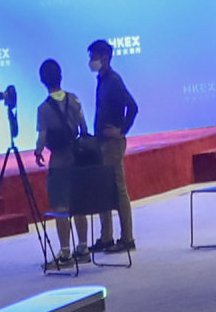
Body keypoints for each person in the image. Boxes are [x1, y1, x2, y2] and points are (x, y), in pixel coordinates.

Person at [33, 57, 93, 265]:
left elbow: (42, 136)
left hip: (58, 161)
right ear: (61, 76)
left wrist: (38, 151)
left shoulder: (43, 109)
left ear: (42, 81)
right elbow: (84, 128)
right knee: (79, 205)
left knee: (60, 206)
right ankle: (83, 248)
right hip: (77, 158)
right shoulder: (74, 100)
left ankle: (65, 251)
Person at [86, 37, 141, 253]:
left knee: (118, 190)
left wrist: (121, 130)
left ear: (105, 58)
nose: (91, 61)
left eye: (94, 57)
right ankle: (106, 237)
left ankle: (127, 238)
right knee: (103, 189)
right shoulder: (102, 80)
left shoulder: (114, 81)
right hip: (101, 142)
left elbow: (133, 107)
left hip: (113, 143)